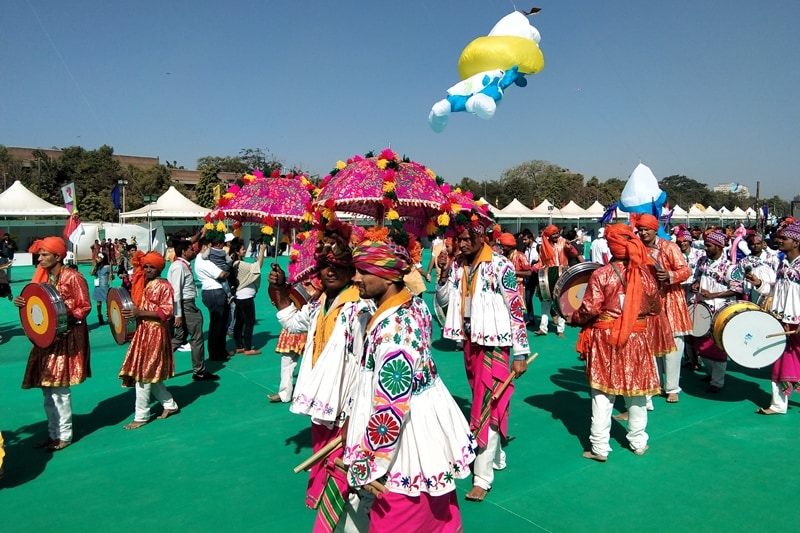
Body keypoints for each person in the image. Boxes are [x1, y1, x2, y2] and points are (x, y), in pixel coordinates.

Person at [346, 239, 475, 531]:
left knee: (400, 514)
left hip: (405, 439)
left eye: (363, 271)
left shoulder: (395, 333)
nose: (355, 278)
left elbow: (391, 408)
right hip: (423, 425)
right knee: (432, 510)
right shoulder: (413, 303)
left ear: (389, 276)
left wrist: (367, 464)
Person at [268, 228, 374, 531]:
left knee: (349, 478)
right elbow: (292, 321)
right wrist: (279, 290)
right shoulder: (319, 303)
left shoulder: (361, 307)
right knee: (333, 473)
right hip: (321, 408)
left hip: (348, 409)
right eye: (324, 266)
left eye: (337, 267)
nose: (329, 272)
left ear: (350, 270)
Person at [435, 218, 529, 502]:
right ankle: (496, 454)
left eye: (466, 238)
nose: (461, 244)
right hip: (470, 344)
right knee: (488, 401)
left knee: (486, 404)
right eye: (458, 239)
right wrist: (441, 274)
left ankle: (482, 477)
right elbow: (443, 301)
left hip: (495, 346)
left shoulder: (501, 265)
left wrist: (520, 352)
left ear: (481, 236)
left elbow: (515, 307)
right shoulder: (458, 266)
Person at [569, 224, 661, 461]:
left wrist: (574, 318)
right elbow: (654, 308)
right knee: (637, 392)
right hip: (637, 337)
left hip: (605, 337)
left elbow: (590, 308)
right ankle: (638, 441)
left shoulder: (602, 274)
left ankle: (599, 448)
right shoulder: (646, 274)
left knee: (602, 392)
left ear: (611, 246)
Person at [14, 237, 91, 451]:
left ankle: (65, 435)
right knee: (47, 389)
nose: (39, 258)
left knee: (60, 390)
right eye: (40, 255)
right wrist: (24, 302)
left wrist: (62, 315)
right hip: (48, 340)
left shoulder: (74, 277)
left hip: (67, 340)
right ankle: (52, 433)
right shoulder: (46, 282)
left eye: (44, 254)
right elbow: (39, 309)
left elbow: (84, 308)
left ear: (58, 256)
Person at [118, 251, 180, 429]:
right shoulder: (143, 284)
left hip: (155, 333)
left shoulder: (164, 286)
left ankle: (141, 415)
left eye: (152, 267)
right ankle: (170, 405)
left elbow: (166, 312)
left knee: (143, 375)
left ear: (159, 268)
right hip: (142, 332)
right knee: (148, 374)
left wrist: (140, 313)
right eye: (145, 266)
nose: (148, 269)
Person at [635, 214, 692, 404]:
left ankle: (672, 388)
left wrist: (668, 274)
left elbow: (685, 270)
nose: (643, 233)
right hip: (648, 302)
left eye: (646, 230)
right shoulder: (637, 248)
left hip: (670, 299)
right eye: (640, 230)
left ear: (655, 230)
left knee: (673, 346)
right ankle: (655, 384)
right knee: (650, 343)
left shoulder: (669, 247)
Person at [749, 222, 800, 415]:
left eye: (784, 239)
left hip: (797, 322)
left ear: (796, 242)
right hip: (780, 320)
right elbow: (776, 290)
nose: (779, 241)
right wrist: (760, 283)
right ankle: (778, 404)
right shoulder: (782, 263)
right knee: (779, 362)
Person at [691, 229, 743, 393]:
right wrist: (696, 284)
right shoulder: (702, 261)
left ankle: (717, 382)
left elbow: (737, 289)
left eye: (709, 245)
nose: (705, 248)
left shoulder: (731, 267)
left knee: (718, 346)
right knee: (701, 343)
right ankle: (712, 373)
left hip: (721, 311)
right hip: (702, 308)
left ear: (720, 247)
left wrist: (714, 294)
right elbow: (697, 278)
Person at [168, 240, 219, 381]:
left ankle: (156, 362)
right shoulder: (179, 267)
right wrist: (178, 314)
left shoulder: (180, 265)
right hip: (186, 305)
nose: (193, 251)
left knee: (179, 338)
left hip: (184, 305)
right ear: (183, 251)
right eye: (191, 249)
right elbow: (176, 291)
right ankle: (199, 371)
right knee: (196, 338)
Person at [533, 224, 581, 337]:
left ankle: (560, 330)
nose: (556, 235)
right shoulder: (543, 246)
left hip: (563, 273)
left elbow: (574, 254)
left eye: (556, 233)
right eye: (553, 233)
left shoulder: (564, 242)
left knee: (561, 302)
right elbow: (541, 261)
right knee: (545, 302)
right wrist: (534, 268)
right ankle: (542, 328)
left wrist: (571, 249)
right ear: (548, 235)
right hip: (549, 274)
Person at [195, 237, 232, 361]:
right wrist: (229, 267)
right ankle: (215, 353)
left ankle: (220, 350)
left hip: (215, 291)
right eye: (211, 246)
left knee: (222, 322)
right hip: (214, 291)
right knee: (217, 323)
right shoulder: (203, 261)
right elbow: (221, 274)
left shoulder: (204, 259)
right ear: (205, 247)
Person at [231, 239, 266, 355]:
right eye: (242, 249)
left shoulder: (237, 263)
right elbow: (257, 266)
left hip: (240, 296)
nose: (244, 250)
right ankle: (247, 348)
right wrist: (262, 251)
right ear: (236, 251)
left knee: (240, 322)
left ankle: (239, 345)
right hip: (245, 297)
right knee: (249, 322)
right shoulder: (239, 264)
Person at [498, 232, 532, 316]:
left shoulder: (521, 256)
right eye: (501, 246)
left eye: (504, 246)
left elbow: (529, 272)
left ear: (510, 246)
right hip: (503, 287)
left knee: (516, 313)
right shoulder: (502, 256)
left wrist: (513, 272)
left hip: (517, 288)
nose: (502, 248)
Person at [520, 229, 539, 323]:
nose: (523, 242)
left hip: (539, 276)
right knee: (528, 298)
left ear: (531, 239)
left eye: (525, 239)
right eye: (523, 240)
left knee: (544, 298)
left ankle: (553, 312)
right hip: (529, 276)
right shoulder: (524, 250)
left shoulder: (539, 247)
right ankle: (531, 319)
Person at [91, 252, 112, 325]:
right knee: (98, 302)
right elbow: (91, 273)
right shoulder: (97, 266)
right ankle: (100, 316)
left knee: (107, 302)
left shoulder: (107, 267)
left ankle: (109, 316)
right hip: (98, 286)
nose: (97, 259)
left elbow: (111, 276)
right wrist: (95, 265)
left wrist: (111, 277)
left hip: (105, 286)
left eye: (99, 258)